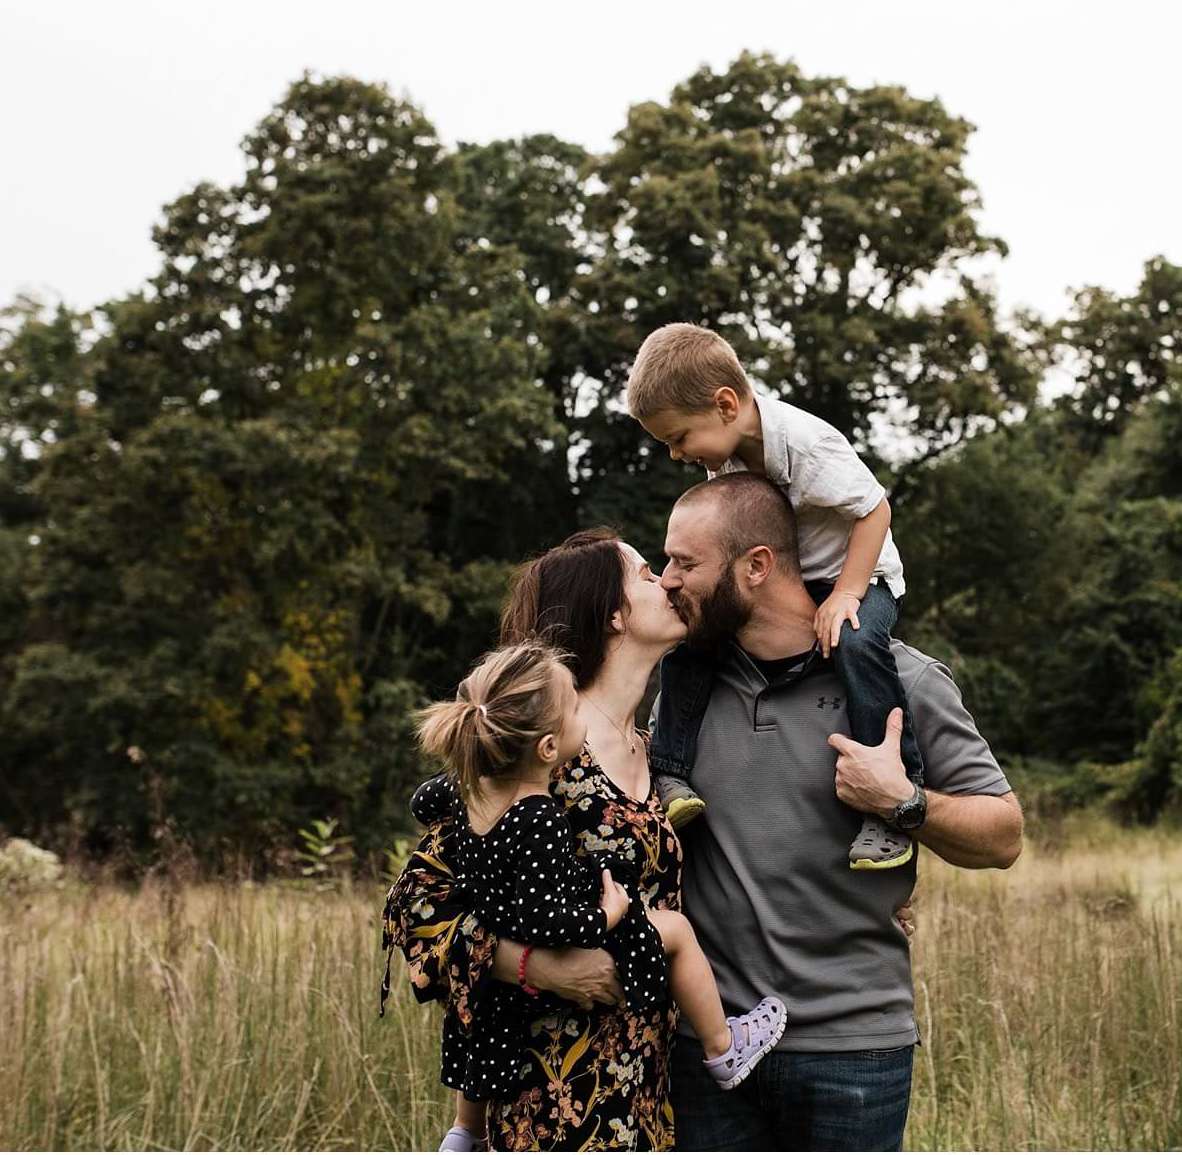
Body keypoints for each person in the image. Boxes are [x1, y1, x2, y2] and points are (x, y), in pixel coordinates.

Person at [655, 472, 1023, 1151]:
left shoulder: (902, 678)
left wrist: (903, 802)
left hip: (855, 1049)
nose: (666, 579)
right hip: (706, 1049)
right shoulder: (681, 695)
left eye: (685, 562)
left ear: (756, 565)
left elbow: (1003, 835)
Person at [409, 638, 789, 1153]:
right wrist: (605, 918)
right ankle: (723, 1046)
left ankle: (465, 1132)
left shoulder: (470, 788)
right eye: (572, 709)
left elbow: (424, 800)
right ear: (546, 748)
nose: (579, 715)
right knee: (672, 930)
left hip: (616, 1059)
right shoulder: (540, 808)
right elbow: (534, 920)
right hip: (564, 1017)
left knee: (484, 1029)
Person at [383, 531, 694, 1151]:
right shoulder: (538, 752)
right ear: (613, 613)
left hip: (646, 1088)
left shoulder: (663, 749)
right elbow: (417, 911)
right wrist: (534, 966)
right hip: (547, 1098)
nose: (668, 581)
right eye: (645, 574)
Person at [626, 322, 921, 871]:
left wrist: (849, 594)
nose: (674, 455)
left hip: (861, 575)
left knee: (856, 647)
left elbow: (874, 509)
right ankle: (669, 770)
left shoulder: (809, 445)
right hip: (797, 578)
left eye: (678, 438)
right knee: (696, 644)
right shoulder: (728, 454)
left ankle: (889, 802)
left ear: (725, 404)